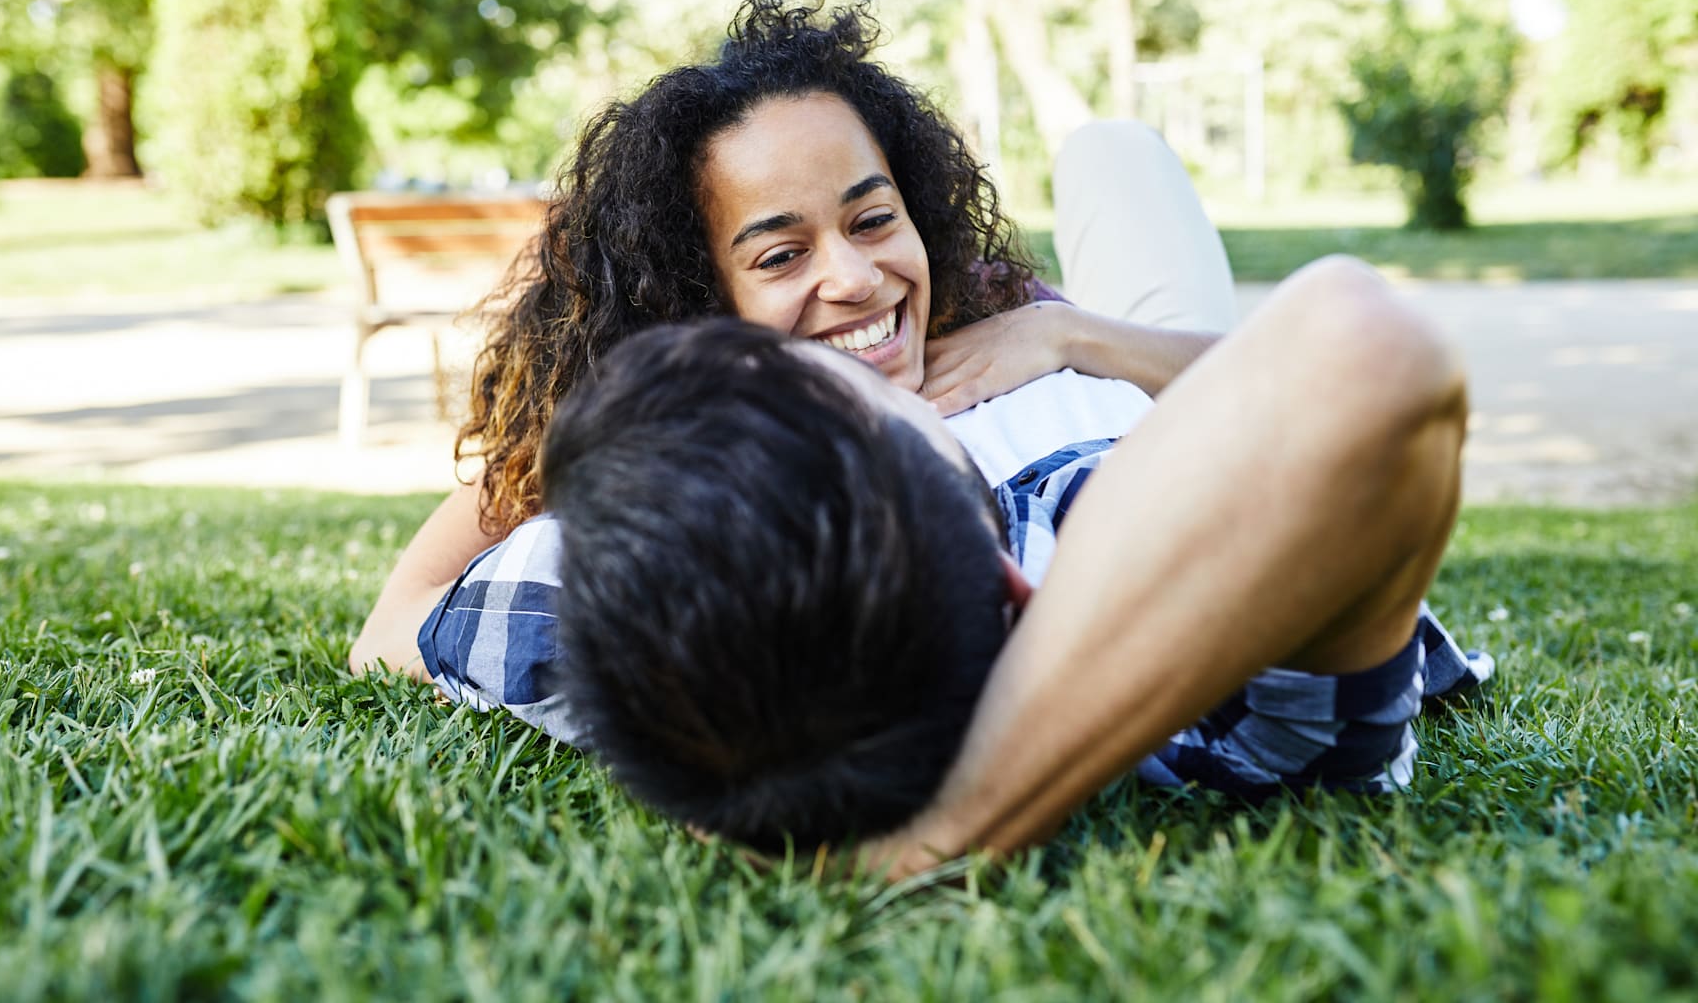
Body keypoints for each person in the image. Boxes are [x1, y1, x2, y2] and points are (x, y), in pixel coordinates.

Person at [349, 0, 1230, 680]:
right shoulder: (662, 422)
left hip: (1128, 333)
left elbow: (1262, 375)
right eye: (780, 255)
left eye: (875, 217)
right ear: (700, 306)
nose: (852, 277)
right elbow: (389, 629)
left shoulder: (985, 302)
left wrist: (1067, 331)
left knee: (1112, 151)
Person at [540, 266, 1490, 869]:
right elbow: (1365, 343)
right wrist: (967, 824)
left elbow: (456, 605)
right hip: (1178, 379)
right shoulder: (1240, 713)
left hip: (1123, 378)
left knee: (1106, 157)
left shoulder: (671, 651)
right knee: (1116, 151)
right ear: (1018, 585)